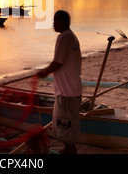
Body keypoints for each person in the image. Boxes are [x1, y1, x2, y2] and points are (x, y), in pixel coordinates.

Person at [36, 10, 82, 154]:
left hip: (66, 92)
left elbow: (57, 62)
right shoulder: (72, 37)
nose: (53, 24)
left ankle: (70, 151)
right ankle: (69, 149)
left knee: (63, 125)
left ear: (62, 22)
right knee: (69, 125)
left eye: (55, 21)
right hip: (74, 90)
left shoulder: (63, 37)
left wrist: (44, 72)